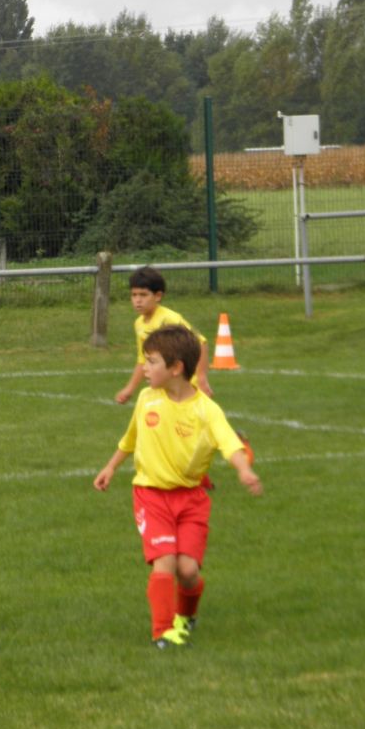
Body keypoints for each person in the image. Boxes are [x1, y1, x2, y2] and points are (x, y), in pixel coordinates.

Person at [93, 325, 262, 649]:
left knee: (187, 570)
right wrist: (111, 466)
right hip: (151, 495)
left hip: (191, 500)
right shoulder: (147, 399)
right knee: (165, 561)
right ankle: (162, 631)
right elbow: (131, 438)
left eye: (151, 362)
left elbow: (230, 443)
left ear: (175, 368)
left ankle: (186, 617)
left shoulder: (206, 410)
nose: (144, 368)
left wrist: (244, 470)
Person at [114, 266, 212, 404]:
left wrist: (201, 378)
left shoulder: (168, 319)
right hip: (164, 385)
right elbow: (143, 359)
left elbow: (200, 343)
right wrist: (129, 389)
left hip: (185, 385)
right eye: (134, 295)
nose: (138, 300)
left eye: (143, 295)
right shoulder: (139, 324)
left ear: (158, 296)